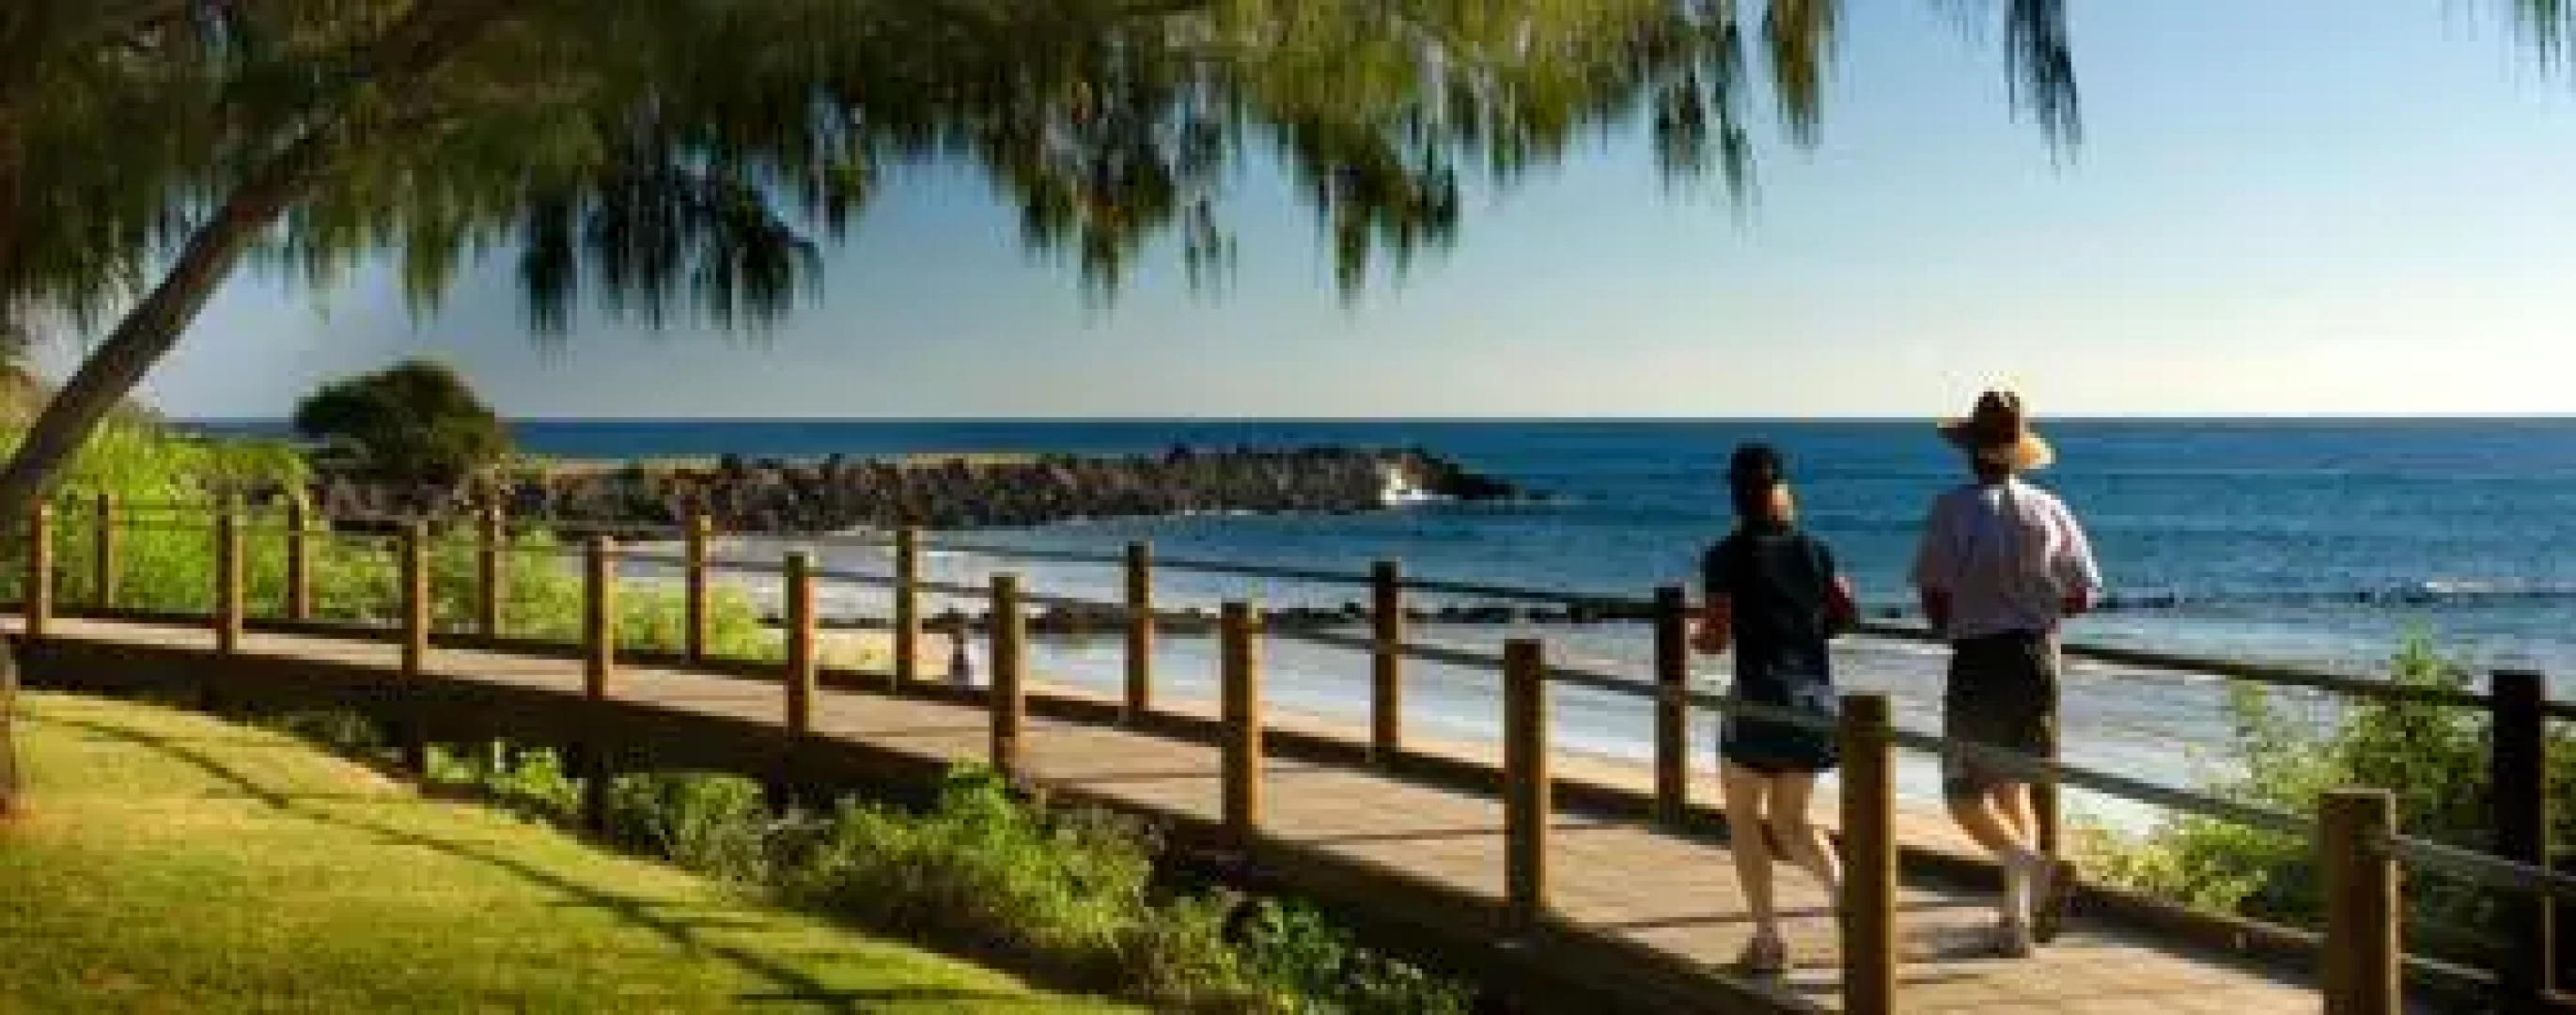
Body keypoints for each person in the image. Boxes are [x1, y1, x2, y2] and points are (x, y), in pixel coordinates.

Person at [1909, 390, 2102, 957]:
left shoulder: (1953, 509)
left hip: (1980, 659)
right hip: (2039, 658)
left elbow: (1934, 591)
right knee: (2012, 783)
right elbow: (2083, 592)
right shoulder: (2051, 508)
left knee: (1964, 793)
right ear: (2017, 451)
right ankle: (2013, 924)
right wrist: (2041, 613)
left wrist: (1956, 622)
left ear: (1969, 452)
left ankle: (2035, 868)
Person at [1693, 443, 1854, 976]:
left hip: (1757, 700)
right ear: (1781, 488)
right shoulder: (1818, 552)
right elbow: (1841, 614)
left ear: (1736, 496)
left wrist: (1695, 636)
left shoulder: (1724, 556)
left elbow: (1715, 639)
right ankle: (1845, 901)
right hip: (1813, 701)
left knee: (1743, 819)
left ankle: (1768, 941)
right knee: (1792, 821)